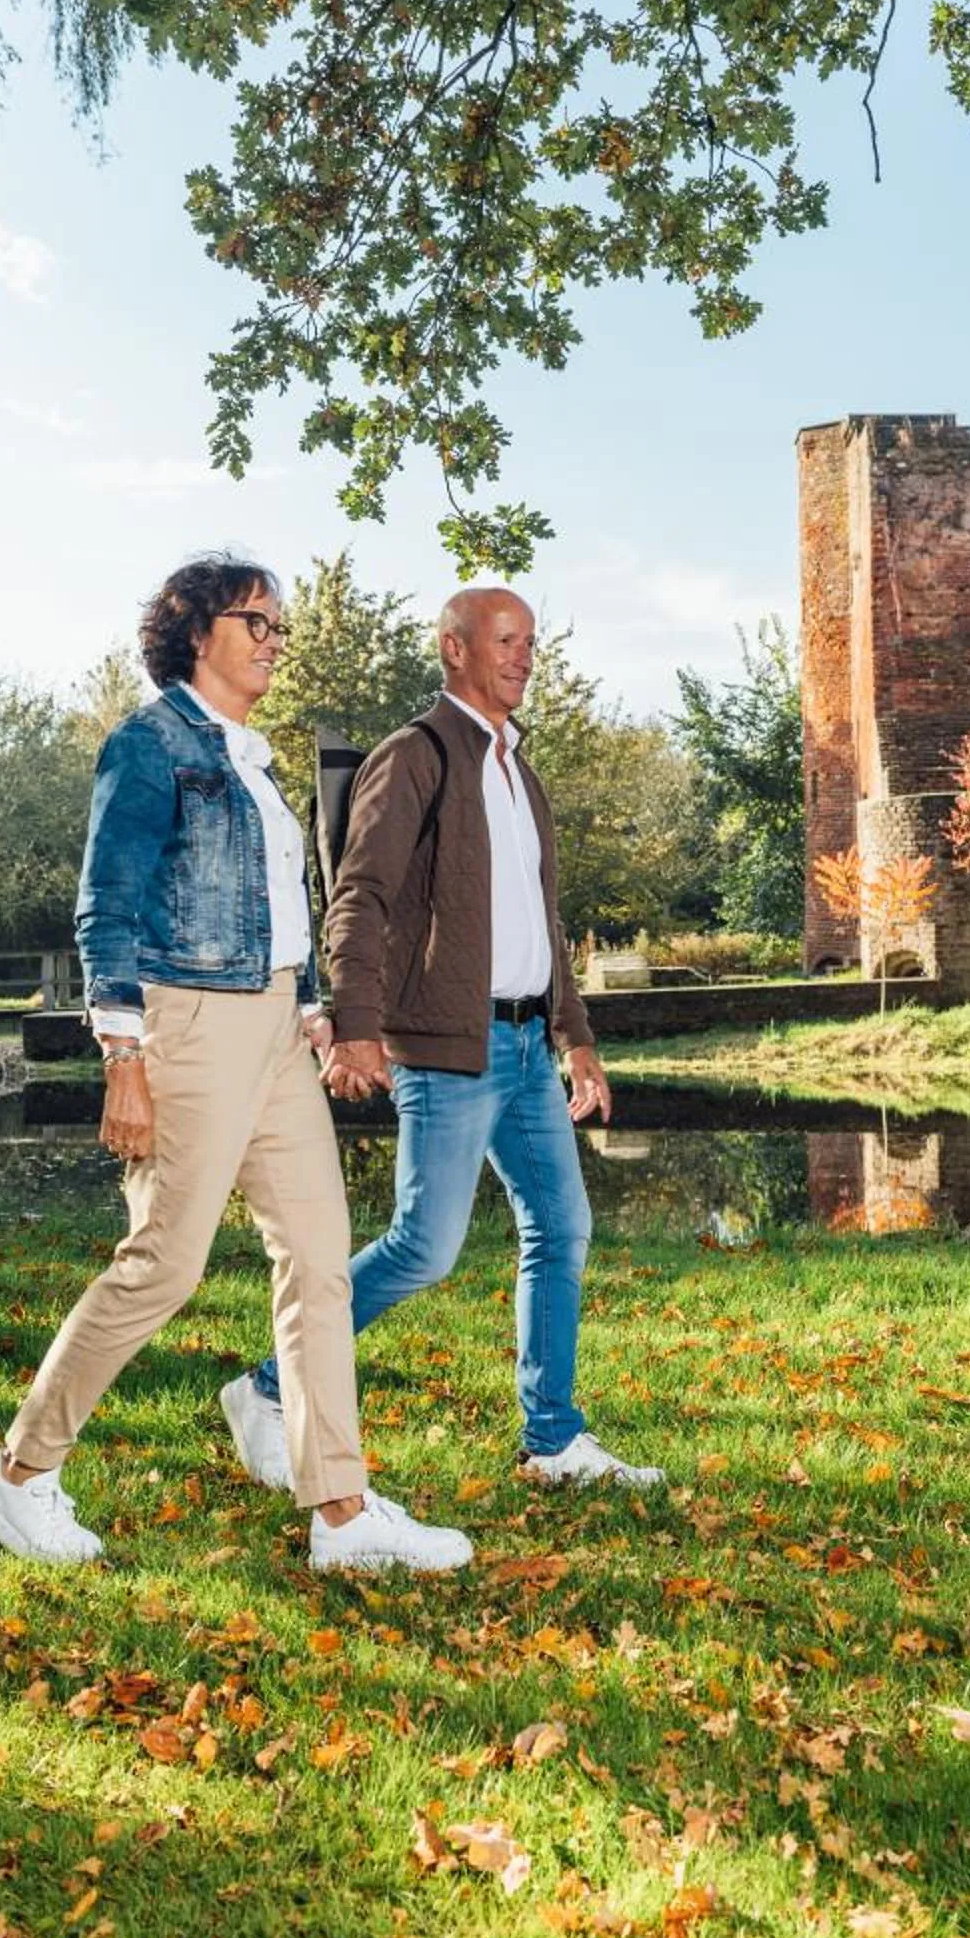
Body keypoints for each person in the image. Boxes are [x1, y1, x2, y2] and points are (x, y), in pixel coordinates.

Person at [0, 555, 473, 1573]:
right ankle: (19, 1476)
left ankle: (340, 1509)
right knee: (163, 1265)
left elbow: (275, 904)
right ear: (196, 630)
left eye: (280, 624)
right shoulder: (150, 748)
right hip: (188, 1026)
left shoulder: (253, 759)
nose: (275, 638)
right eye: (257, 620)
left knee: (321, 1260)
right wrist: (123, 1053)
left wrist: (316, 1007)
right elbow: (107, 901)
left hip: (278, 1028)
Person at [225, 586, 663, 1491]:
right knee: (424, 1247)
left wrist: (575, 1036)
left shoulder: (518, 772)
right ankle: (268, 1387)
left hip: (524, 1049)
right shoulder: (415, 755)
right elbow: (360, 896)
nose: (523, 657)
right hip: (444, 1051)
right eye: (505, 640)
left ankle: (551, 1440)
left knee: (561, 1226)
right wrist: (354, 1025)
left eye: (531, 641)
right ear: (454, 648)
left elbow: (543, 922)